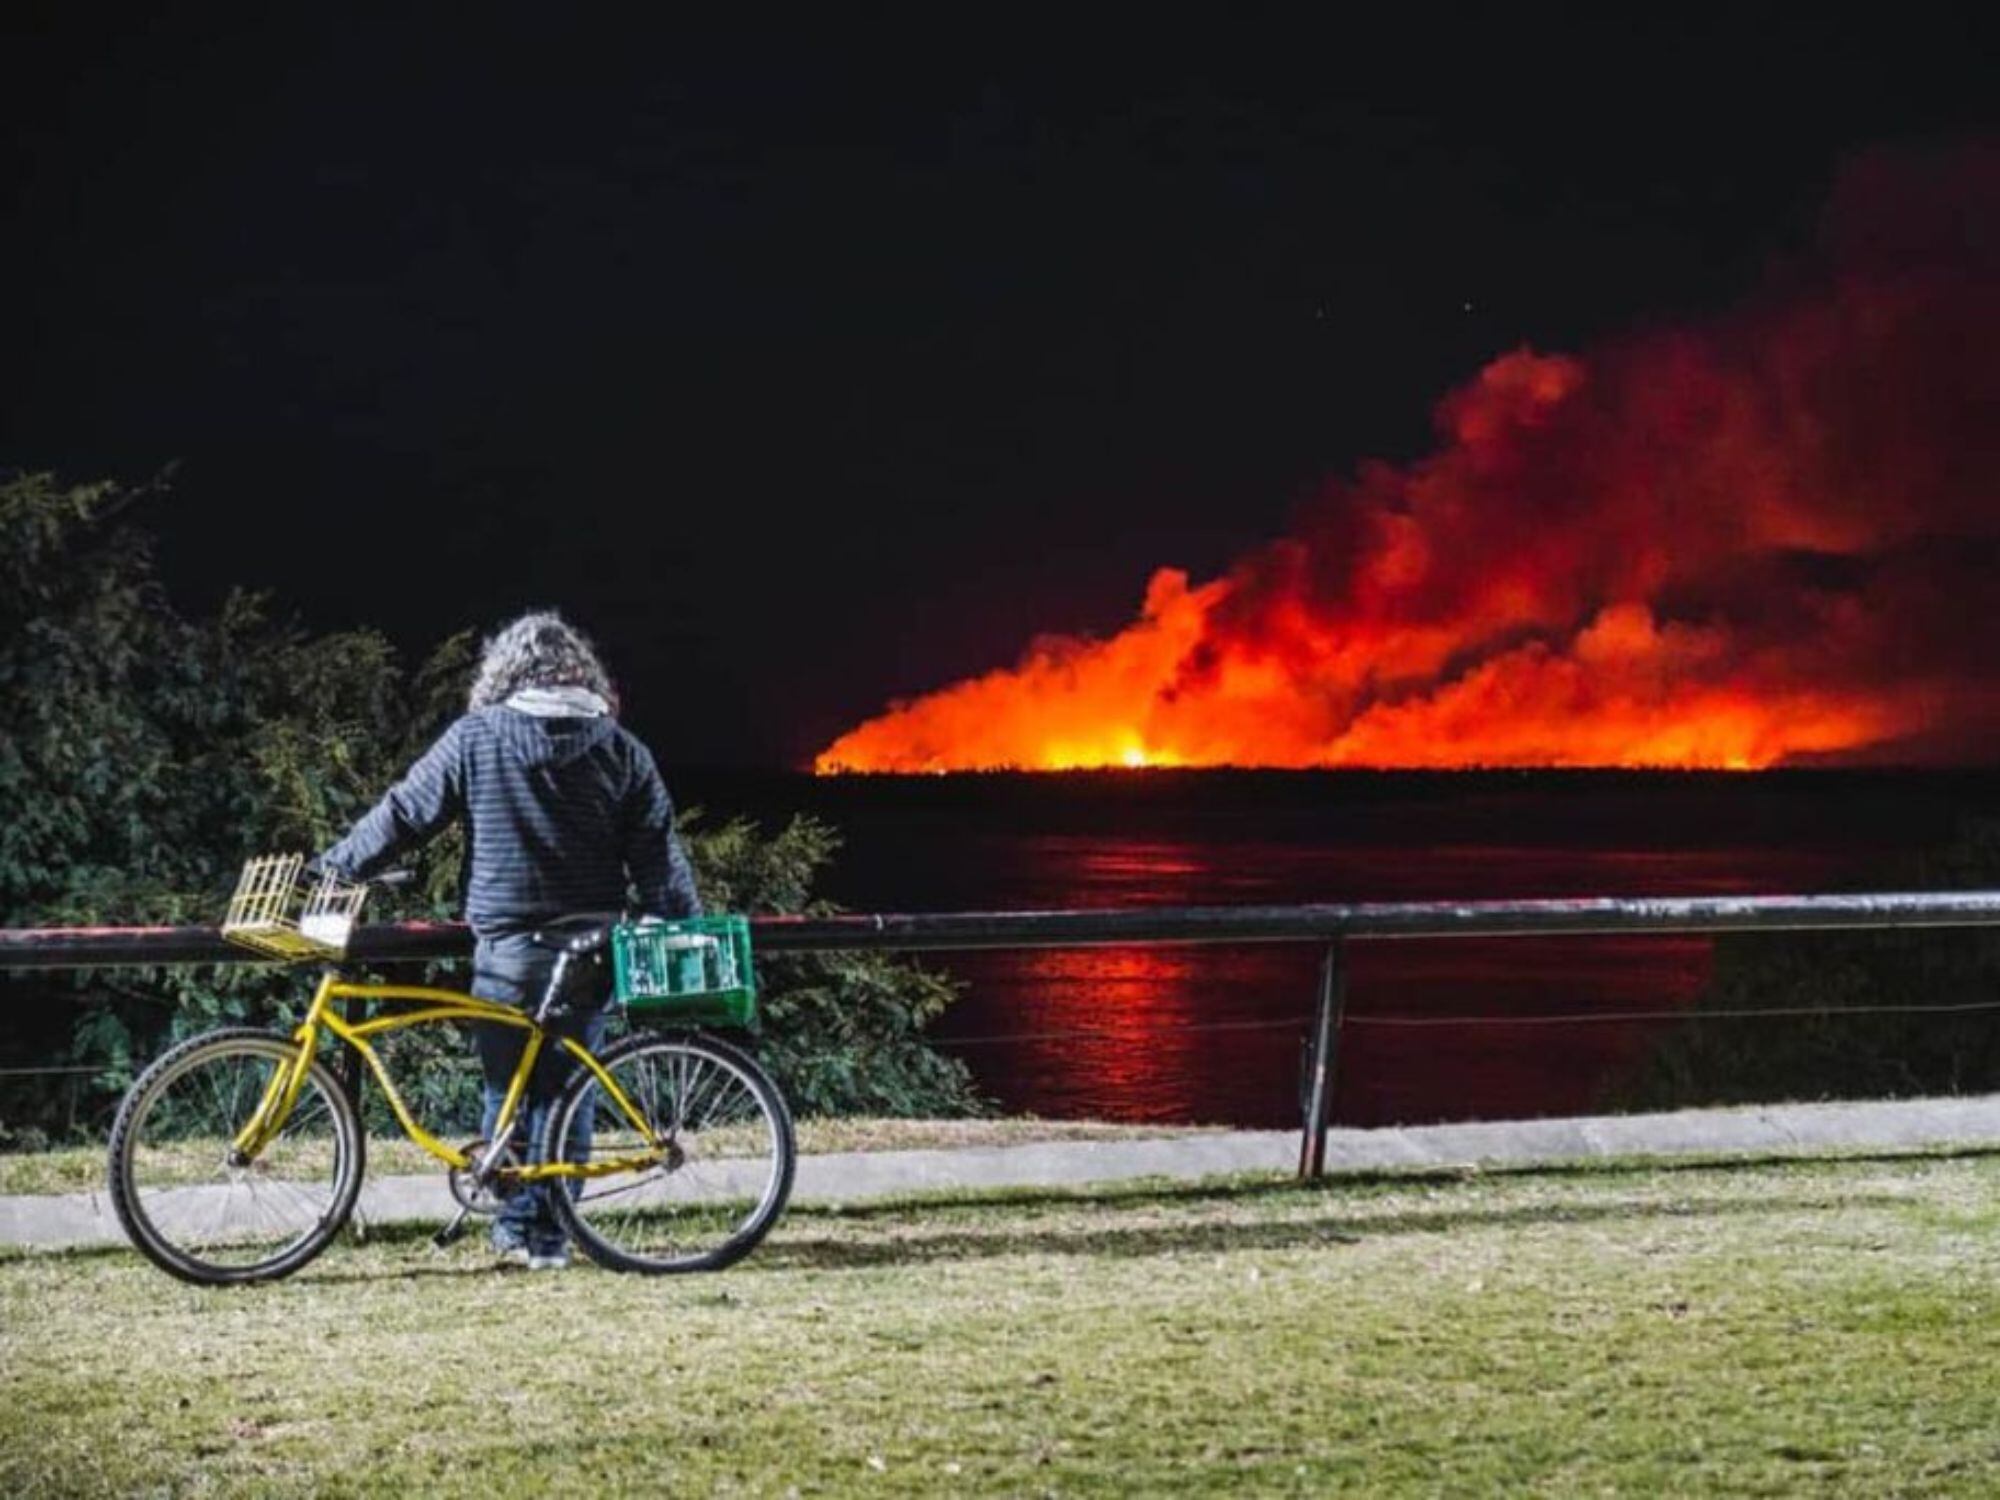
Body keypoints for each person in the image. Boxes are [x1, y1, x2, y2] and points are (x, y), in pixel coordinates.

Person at [317, 611, 701, 1269]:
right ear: (584, 674)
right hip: (592, 948)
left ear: (504, 673)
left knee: (509, 1088)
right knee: (570, 1088)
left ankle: (516, 1230)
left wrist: (339, 865)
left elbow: (407, 813)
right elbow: (658, 857)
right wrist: (683, 925)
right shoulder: (622, 750)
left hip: (508, 946)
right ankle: (550, 1236)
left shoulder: (477, 739)